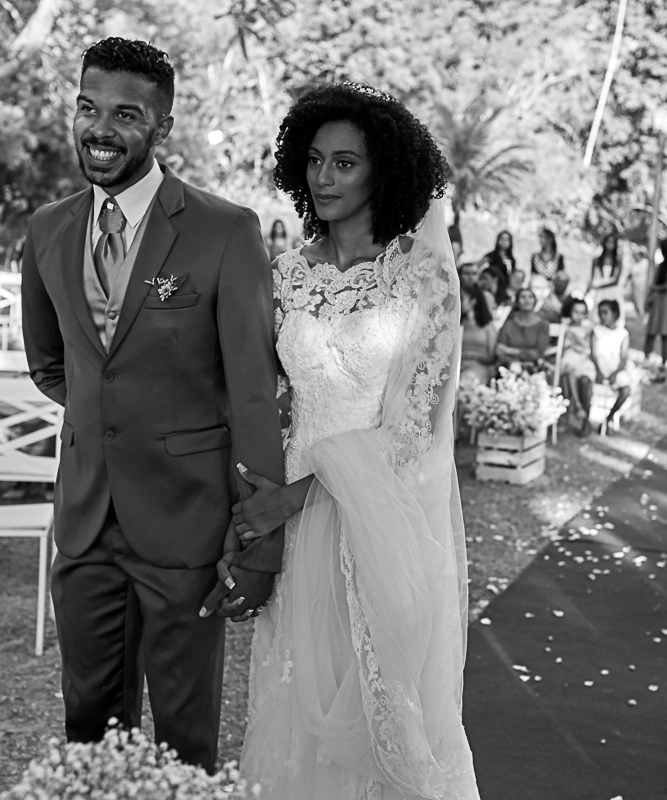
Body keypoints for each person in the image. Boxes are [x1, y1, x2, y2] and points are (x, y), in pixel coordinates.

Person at [19, 38, 285, 772]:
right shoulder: (46, 231)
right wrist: (114, 424)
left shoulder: (225, 231)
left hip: (186, 523)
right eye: (87, 108)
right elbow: (54, 365)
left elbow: (253, 396)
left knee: (183, 741)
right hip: (84, 520)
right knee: (87, 732)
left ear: (162, 126)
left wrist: (258, 546)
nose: (99, 129)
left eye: (126, 115)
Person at [225, 81, 480, 798]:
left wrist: (291, 501)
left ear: (383, 171)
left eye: (345, 163)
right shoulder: (286, 275)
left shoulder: (421, 276)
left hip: (378, 521)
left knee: (380, 709)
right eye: (314, 161)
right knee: (292, 699)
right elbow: (261, 395)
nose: (325, 178)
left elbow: (413, 431)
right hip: (291, 522)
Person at [590, 299, 636, 432]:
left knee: (626, 390)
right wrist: (598, 371)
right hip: (597, 366)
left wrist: (614, 374)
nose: (602, 316)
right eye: (600, 313)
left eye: (605, 313)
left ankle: (608, 418)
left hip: (614, 369)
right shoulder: (596, 331)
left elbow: (623, 359)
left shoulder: (623, 334)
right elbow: (593, 354)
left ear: (615, 314)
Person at [642, 238, 667, 382]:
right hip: (658, 302)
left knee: (666, 335)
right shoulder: (661, 266)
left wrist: (654, 288)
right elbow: (655, 283)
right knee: (651, 333)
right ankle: (646, 360)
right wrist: (649, 298)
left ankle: (663, 365)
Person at [558, 298, 596, 432]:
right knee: (568, 373)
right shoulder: (564, 326)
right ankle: (577, 406)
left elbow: (590, 348)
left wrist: (576, 339)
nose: (578, 316)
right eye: (575, 312)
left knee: (584, 380)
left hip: (583, 361)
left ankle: (581, 415)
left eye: (582, 312)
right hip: (568, 359)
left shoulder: (588, 328)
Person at [496, 287, 550, 370]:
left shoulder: (543, 325)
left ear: (534, 301)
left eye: (530, 297)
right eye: (523, 297)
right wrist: (512, 361)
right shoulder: (509, 324)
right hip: (510, 365)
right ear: (517, 302)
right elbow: (499, 349)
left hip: (534, 367)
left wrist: (509, 350)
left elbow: (538, 353)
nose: (527, 300)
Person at [460, 282, 497, 385]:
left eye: (462, 299)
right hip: (458, 365)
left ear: (473, 301)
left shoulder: (487, 326)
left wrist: (473, 356)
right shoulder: (456, 324)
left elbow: (492, 356)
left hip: (480, 366)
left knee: (466, 380)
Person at [586, 231, 623, 310]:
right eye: (608, 242)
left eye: (612, 243)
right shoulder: (596, 260)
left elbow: (616, 281)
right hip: (599, 294)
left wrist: (598, 286)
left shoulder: (618, 262)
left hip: (612, 293)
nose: (610, 245)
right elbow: (592, 278)